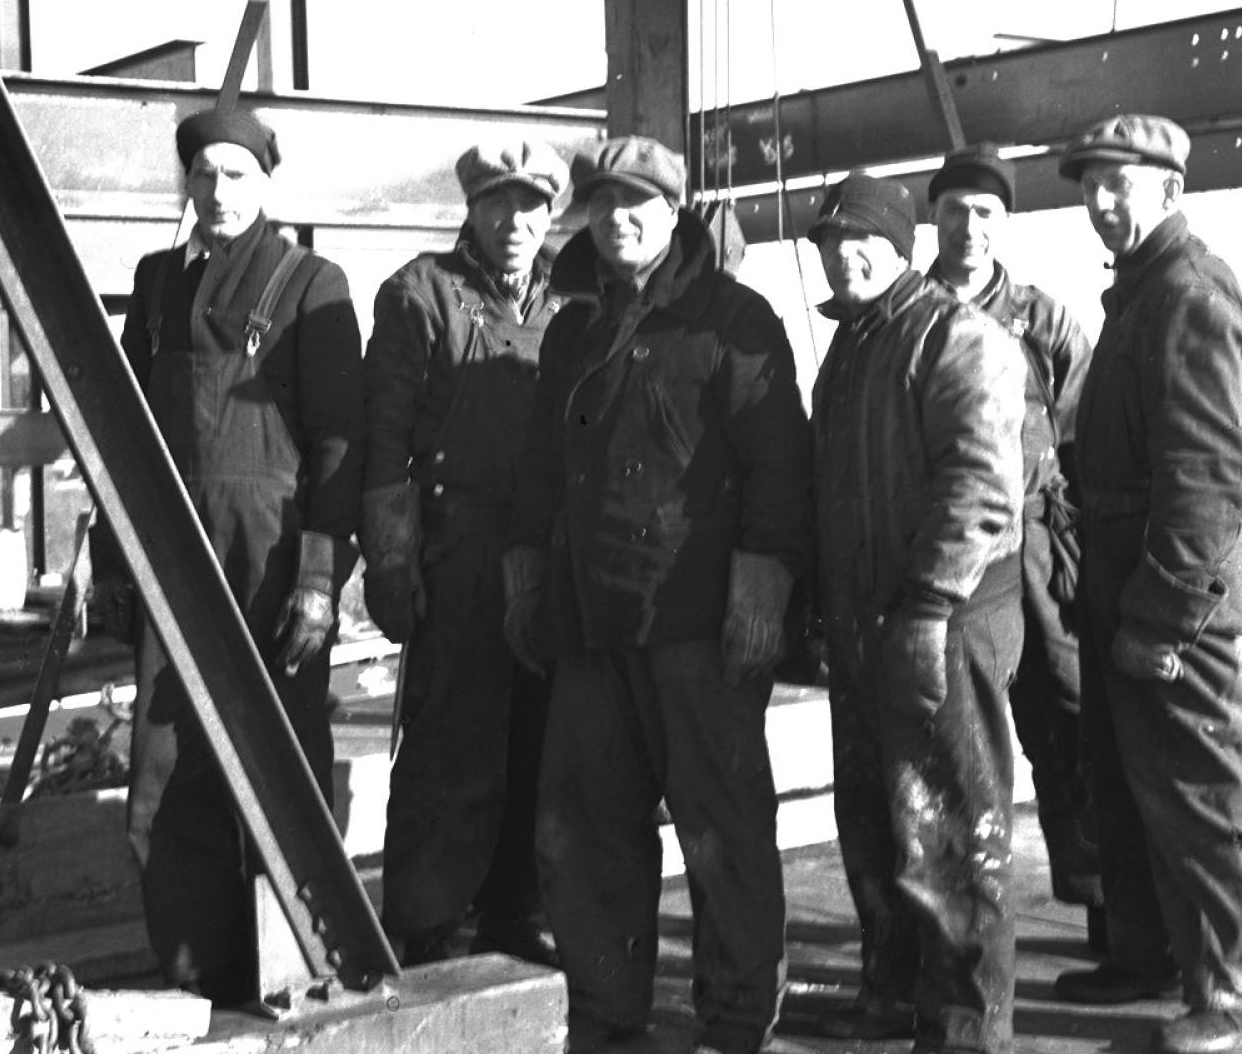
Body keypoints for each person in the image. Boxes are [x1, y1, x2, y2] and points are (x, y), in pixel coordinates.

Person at [505, 135, 812, 1054]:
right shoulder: (572, 330)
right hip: (594, 623)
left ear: (676, 211)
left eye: (640, 201)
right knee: (589, 832)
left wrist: (760, 594)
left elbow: (778, 469)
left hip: (698, 627)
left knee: (724, 833)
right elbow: (539, 469)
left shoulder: (735, 320)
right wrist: (525, 574)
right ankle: (606, 1015)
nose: (620, 218)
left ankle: (734, 1020)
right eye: (603, 203)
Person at [87, 107, 364, 1005]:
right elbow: (117, 437)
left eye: (236, 175)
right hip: (174, 557)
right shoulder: (156, 284)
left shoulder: (310, 282)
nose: (216, 192)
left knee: (282, 769)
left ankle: (295, 970)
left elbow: (338, 447)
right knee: (167, 774)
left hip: (271, 566)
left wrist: (320, 580)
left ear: (266, 186)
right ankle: (197, 988)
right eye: (202, 175)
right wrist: (113, 562)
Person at [1052, 114, 1242, 1054]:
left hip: (1172, 596)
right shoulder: (1139, 294)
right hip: (1123, 579)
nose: (1100, 202)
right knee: (1127, 778)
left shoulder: (1188, 295)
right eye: (1091, 184)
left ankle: (1238, 990)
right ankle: (1147, 956)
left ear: (1170, 190)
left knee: (1197, 789)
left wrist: (1162, 616)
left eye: (1121, 184)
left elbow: (1204, 484)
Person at [808, 172, 1027, 1054]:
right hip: (867, 622)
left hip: (945, 620)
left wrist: (928, 608)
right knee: (872, 816)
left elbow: (979, 485)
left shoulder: (958, 338)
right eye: (828, 242)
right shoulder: (854, 346)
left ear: (902, 247)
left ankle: (966, 1027)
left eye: (861, 239)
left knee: (952, 827)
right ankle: (892, 987)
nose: (842, 255)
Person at [361, 139, 569, 969]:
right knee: (450, 743)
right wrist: (389, 561)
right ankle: (427, 918)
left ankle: (515, 912)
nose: (515, 223)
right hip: (459, 559)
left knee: (540, 741)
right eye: (498, 205)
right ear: (472, 211)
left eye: (531, 206)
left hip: (549, 558)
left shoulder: (571, 303)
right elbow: (382, 445)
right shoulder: (420, 295)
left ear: (550, 214)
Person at [925, 144, 1104, 943]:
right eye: (955, 210)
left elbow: (1088, 439)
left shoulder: (1044, 319)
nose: (970, 228)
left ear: (1007, 223)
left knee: (1069, 717)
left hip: (1035, 551)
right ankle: (952, 926)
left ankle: (1111, 913)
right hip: (948, 557)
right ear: (934, 218)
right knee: (954, 735)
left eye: (986, 213)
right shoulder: (906, 311)